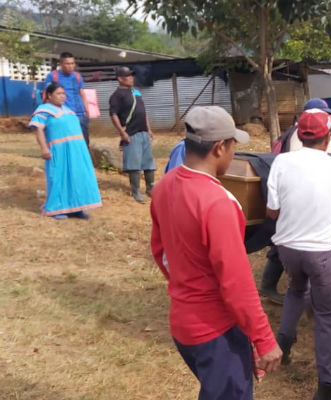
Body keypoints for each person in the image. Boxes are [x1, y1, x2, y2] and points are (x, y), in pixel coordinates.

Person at [150, 106, 283, 400]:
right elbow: (236, 282)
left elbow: (160, 252)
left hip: (182, 323)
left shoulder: (164, 187)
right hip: (216, 329)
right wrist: (264, 339)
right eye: (234, 144)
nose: (234, 151)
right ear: (220, 147)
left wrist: (186, 285)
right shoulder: (219, 203)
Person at [267, 108, 331, 400]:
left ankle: (284, 344)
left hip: (288, 250)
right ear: (328, 138)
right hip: (322, 251)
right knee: (327, 316)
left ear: (299, 136)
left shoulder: (281, 162)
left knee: (295, 289)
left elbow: (272, 209)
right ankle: (329, 383)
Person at [260, 98, 331, 304]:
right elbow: (306, 167)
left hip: (290, 198)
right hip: (297, 199)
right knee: (286, 245)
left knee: (283, 244)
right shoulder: (301, 137)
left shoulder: (300, 133)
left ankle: (271, 287)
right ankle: (273, 288)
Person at [29, 82, 102, 219]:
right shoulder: (43, 110)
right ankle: (57, 208)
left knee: (77, 177)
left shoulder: (68, 110)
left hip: (77, 149)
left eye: (63, 93)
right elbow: (38, 129)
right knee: (58, 177)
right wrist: (44, 148)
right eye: (58, 94)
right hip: (59, 150)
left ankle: (76, 207)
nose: (62, 96)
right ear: (49, 96)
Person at [109, 66, 156, 204]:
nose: (131, 78)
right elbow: (113, 115)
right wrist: (122, 133)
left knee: (148, 162)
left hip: (143, 132)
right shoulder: (116, 95)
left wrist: (149, 129)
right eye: (128, 76)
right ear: (120, 79)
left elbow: (143, 111)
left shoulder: (136, 92)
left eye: (131, 75)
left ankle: (150, 189)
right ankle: (135, 191)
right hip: (131, 133)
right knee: (134, 164)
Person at [44, 52, 90, 147]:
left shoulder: (77, 76)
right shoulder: (52, 76)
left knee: (84, 143)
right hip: (62, 114)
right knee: (66, 142)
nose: (70, 66)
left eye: (72, 63)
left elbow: (82, 93)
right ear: (60, 64)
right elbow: (48, 95)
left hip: (79, 114)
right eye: (67, 63)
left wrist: (87, 110)